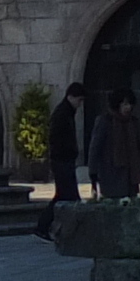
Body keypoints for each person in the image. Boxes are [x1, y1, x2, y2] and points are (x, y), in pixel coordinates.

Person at [35, 82, 89, 238]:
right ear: (70, 97)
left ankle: (49, 228)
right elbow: (57, 139)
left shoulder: (66, 112)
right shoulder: (62, 114)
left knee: (65, 195)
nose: (80, 104)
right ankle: (49, 228)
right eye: (79, 100)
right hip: (62, 161)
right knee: (67, 195)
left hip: (64, 160)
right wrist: (69, 152)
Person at [92, 86, 140, 202]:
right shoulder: (105, 121)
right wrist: (93, 174)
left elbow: (139, 145)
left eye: (129, 104)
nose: (128, 107)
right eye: (124, 104)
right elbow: (95, 148)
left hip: (130, 178)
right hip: (110, 175)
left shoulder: (133, 122)